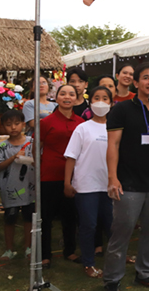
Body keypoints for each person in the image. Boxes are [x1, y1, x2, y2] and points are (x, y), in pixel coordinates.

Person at [103, 62, 149, 291]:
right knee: (121, 232)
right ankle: (112, 279)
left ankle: (145, 273)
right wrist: (112, 178)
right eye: (146, 78)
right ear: (136, 83)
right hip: (128, 183)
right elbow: (113, 145)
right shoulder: (122, 109)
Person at [64, 86, 113, 278]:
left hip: (109, 184)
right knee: (88, 225)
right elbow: (71, 157)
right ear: (90, 102)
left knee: (113, 224)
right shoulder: (82, 128)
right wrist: (67, 183)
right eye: (97, 98)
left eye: (105, 98)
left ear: (111, 102)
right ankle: (88, 263)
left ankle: (117, 255)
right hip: (86, 185)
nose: (101, 102)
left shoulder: (115, 128)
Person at [39, 84, 84, 268]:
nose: (67, 97)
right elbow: (37, 146)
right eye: (63, 93)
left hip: (74, 174)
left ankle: (70, 251)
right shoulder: (46, 122)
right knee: (46, 217)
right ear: (56, 98)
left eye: (71, 94)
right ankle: (44, 254)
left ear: (76, 98)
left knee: (70, 215)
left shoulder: (81, 123)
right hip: (49, 174)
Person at [0, 110, 34, 261]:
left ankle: (28, 247)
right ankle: (9, 249)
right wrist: (13, 158)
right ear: (3, 127)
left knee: (29, 217)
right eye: (9, 125)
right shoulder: (2, 147)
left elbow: (39, 161)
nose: (13, 128)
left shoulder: (32, 142)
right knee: (10, 218)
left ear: (23, 125)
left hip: (29, 187)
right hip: (10, 188)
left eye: (17, 124)